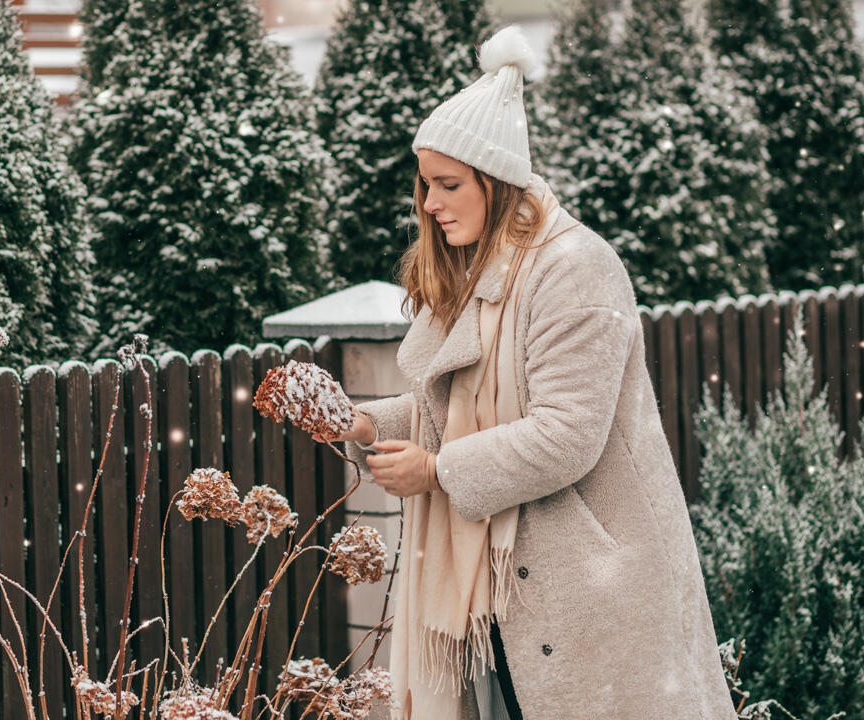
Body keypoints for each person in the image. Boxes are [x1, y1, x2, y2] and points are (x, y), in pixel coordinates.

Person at [314, 25, 738, 720]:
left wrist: (438, 472)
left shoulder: (577, 269)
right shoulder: (482, 268)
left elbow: (566, 435)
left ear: (497, 182)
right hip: (505, 590)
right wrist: (367, 422)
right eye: (424, 185)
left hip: (593, 589)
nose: (429, 204)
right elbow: (452, 398)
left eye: (448, 185)